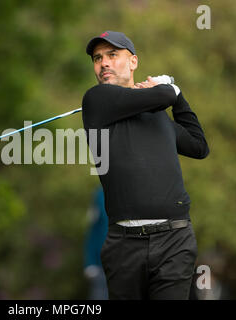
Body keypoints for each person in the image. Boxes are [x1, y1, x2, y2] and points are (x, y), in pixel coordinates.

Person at [81, 31, 210, 299]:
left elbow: (199, 146)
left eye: (112, 55)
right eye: (97, 58)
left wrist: (178, 95)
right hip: (124, 246)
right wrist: (168, 89)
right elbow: (163, 96)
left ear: (133, 62)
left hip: (175, 240)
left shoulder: (158, 115)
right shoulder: (96, 101)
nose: (103, 62)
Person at [83, 186, 109, 300]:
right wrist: (90, 262)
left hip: (129, 265)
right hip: (101, 267)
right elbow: (93, 229)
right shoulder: (100, 194)